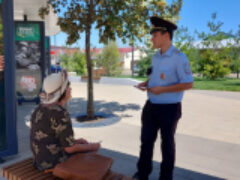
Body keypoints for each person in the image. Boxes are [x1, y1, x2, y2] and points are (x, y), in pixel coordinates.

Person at [133, 16, 194, 180]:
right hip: (151, 106)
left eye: (154, 35)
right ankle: (142, 173)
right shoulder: (156, 56)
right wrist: (146, 83)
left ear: (166, 35)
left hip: (169, 108)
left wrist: (162, 90)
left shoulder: (179, 57)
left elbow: (189, 84)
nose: (151, 38)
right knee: (146, 142)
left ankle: (165, 177)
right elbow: (156, 77)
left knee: (166, 146)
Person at [30, 70, 101, 171]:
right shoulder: (60, 113)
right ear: (62, 92)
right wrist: (92, 146)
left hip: (39, 161)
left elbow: (48, 138)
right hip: (53, 164)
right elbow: (69, 149)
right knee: (91, 154)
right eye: (68, 86)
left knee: (84, 149)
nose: (70, 89)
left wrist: (75, 141)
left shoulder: (39, 108)